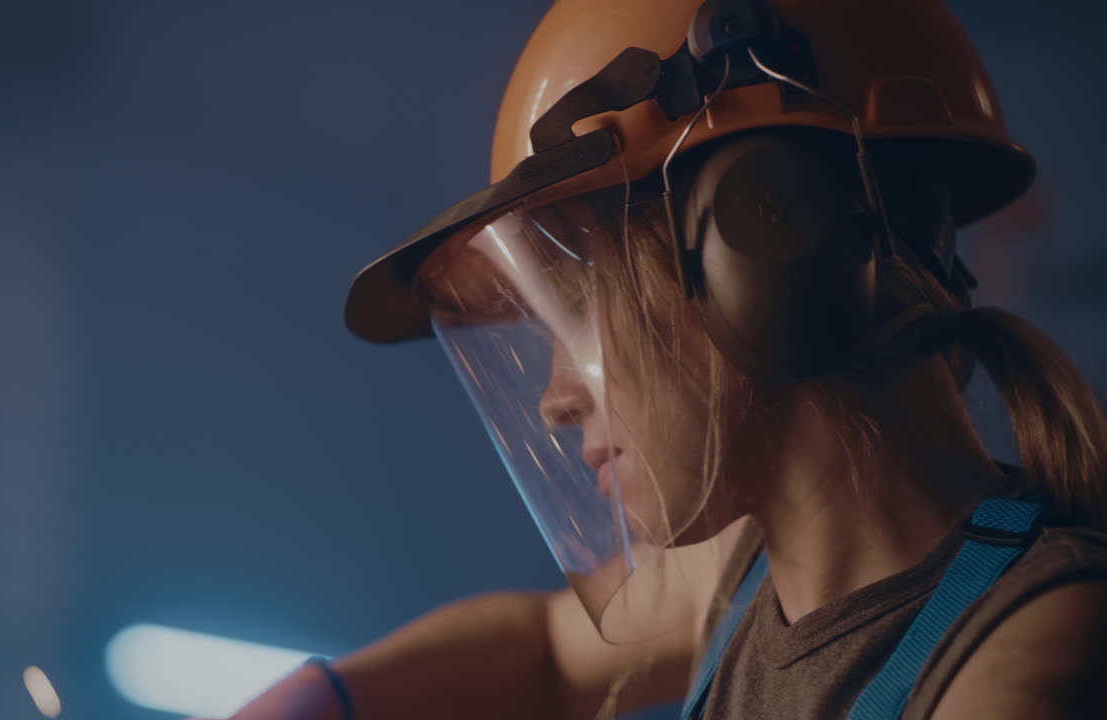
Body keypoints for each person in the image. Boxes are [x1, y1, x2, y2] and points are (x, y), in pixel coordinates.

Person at [210, 0, 1107, 717]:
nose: (557, 400)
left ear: (759, 234)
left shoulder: (1035, 649)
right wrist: (324, 701)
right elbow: (546, 655)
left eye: (576, 313)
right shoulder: (748, 569)